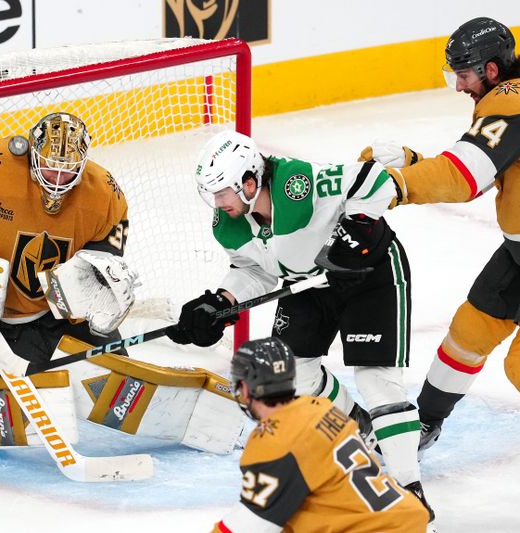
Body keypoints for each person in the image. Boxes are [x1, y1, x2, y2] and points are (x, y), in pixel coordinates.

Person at [166, 130, 434, 515]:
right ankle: (363, 432)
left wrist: (357, 229)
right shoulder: (229, 222)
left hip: (368, 273)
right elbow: (255, 272)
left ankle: (411, 491)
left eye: (222, 191)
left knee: (376, 378)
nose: (217, 201)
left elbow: (372, 178)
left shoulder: (299, 182)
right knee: (294, 375)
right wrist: (221, 302)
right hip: (308, 283)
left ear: (249, 181)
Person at [362, 17, 520, 450]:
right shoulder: (509, 96)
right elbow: (483, 172)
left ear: (491, 70)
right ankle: (426, 422)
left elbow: (463, 176)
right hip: (518, 252)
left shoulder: (509, 100)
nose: (459, 86)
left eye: (464, 74)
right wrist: (414, 164)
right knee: (471, 331)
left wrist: (397, 184)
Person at [0, 112, 136, 373]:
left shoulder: (104, 192)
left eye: (66, 171)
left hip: (65, 314)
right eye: (49, 166)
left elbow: (102, 259)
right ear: (32, 152)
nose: (56, 179)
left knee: (118, 375)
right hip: (2, 319)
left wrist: (92, 298)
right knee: (34, 391)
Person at [213, 337, 430, 533]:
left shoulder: (277, 440)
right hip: (405, 517)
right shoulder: (320, 408)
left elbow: (250, 524)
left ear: (245, 388)